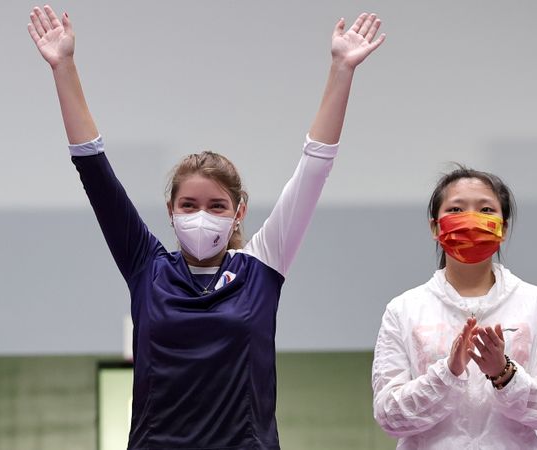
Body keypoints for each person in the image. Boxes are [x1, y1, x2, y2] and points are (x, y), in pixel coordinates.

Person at [28, 5, 384, 448]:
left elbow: (313, 171)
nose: (202, 214)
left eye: (217, 205)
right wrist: (63, 66)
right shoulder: (147, 268)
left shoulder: (262, 267)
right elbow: (94, 170)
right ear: (171, 210)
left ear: (239, 212)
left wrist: (341, 70)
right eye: (190, 204)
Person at [372, 166, 537, 449]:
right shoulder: (404, 309)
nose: (470, 219)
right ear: (435, 227)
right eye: (455, 210)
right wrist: (448, 373)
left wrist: (504, 374)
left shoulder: (535, 303)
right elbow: (389, 417)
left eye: (486, 210)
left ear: (503, 228)